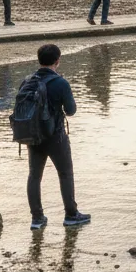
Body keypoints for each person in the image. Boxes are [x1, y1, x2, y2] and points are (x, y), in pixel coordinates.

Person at [24, 43, 91, 230]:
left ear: (39, 60)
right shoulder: (61, 83)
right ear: (57, 60)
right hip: (56, 137)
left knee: (34, 176)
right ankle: (71, 215)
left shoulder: (27, 80)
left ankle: (37, 219)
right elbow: (71, 111)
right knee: (65, 174)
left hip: (33, 136)